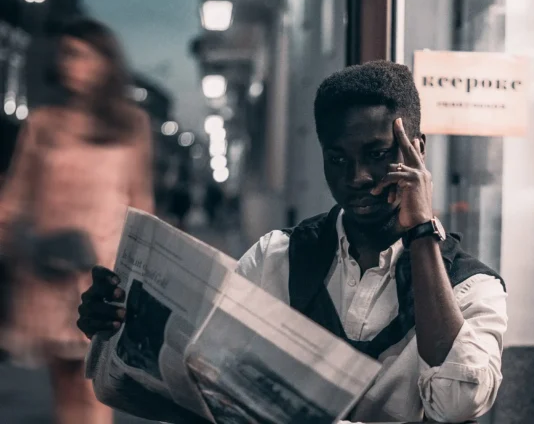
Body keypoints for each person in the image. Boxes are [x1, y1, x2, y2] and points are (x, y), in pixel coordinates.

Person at [77, 61, 507, 423]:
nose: (357, 177)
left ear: (416, 150)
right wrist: (119, 323)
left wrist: (421, 233)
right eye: (337, 159)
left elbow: (458, 403)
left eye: (377, 154)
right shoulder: (276, 258)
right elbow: (201, 372)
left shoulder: (472, 286)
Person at [0, 19, 154, 424]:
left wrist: (144, 274)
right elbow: (16, 197)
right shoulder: (44, 124)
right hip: (49, 272)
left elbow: (141, 201)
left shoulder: (130, 125)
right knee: (65, 387)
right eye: (64, 55)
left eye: (78, 55)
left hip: (101, 275)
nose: (68, 64)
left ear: (105, 62)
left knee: (94, 390)